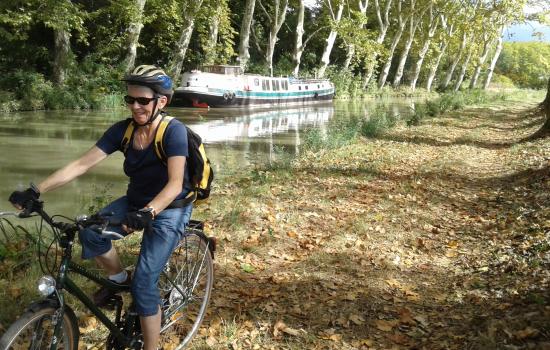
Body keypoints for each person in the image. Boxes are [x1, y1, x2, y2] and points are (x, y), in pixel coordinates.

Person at [8, 65, 193, 350]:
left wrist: (149, 212)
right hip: (135, 203)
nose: (135, 106)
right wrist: (36, 190)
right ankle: (119, 280)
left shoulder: (173, 132)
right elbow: (82, 164)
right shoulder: (124, 131)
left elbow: (175, 183)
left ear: (161, 102)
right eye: (130, 99)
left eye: (142, 101)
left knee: (145, 284)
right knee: (90, 231)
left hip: (171, 208)